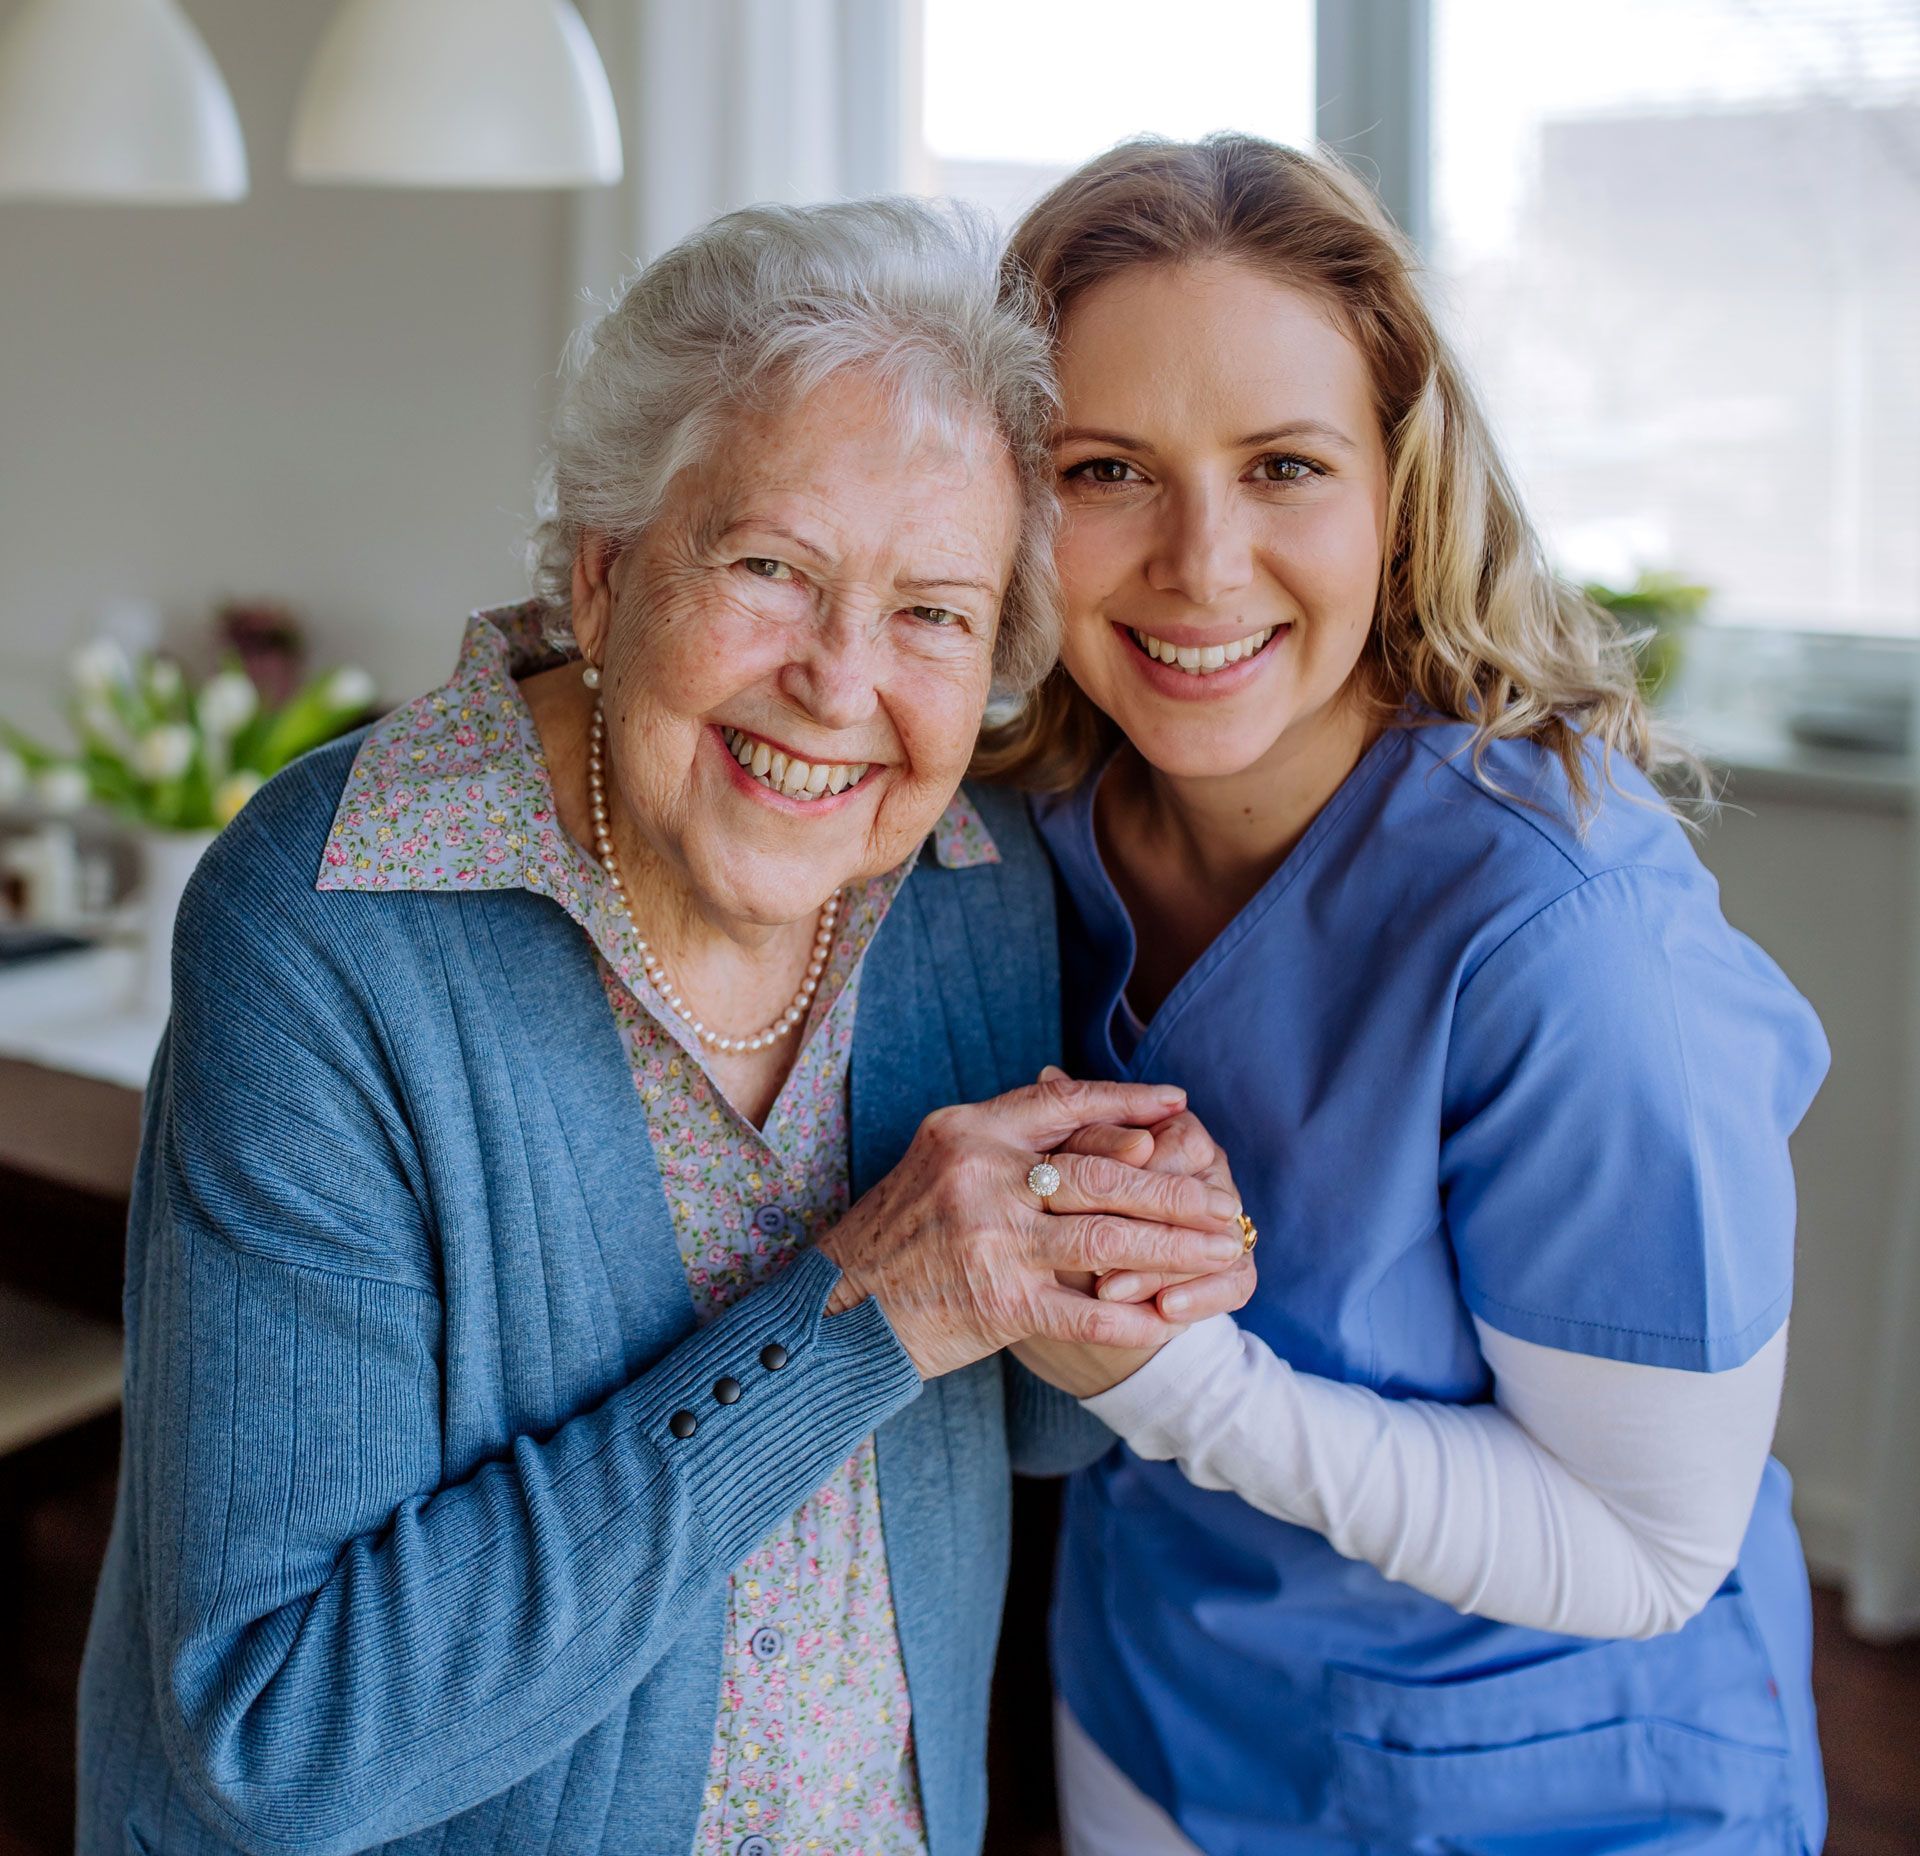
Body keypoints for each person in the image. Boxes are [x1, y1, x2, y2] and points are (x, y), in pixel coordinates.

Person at [75, 197, 1253, 1856]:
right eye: (773, 568)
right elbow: (284, 1734)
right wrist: (867, 1308)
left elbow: (1033, 1431)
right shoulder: (335, 923)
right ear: (610, 570)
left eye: (934, 613)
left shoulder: (972, 880)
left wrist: (1116, 1232)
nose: (842, 684)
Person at [989, 136, 1831, 1856]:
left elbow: (1651, 1550)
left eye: (1284, 465)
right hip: (1156, 1707)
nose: (1201, 564)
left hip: (1551, 1780)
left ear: (1401, 484)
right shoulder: (1023, 838)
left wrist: (1162, 1378)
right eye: (1105, 470)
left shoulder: (1569, 940)